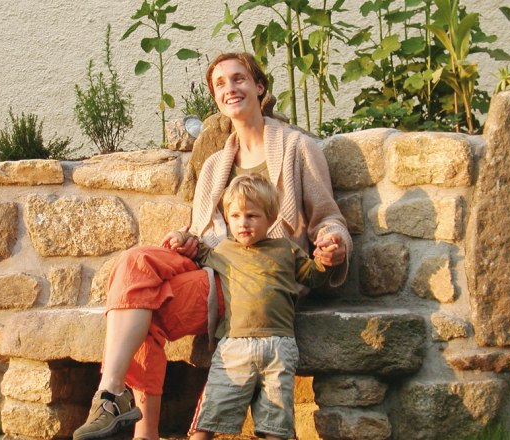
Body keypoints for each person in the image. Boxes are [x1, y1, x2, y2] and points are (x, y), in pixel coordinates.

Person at [72, 52, 351, 440]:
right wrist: (186, 240)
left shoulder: (297, 148)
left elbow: (328, 216)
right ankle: (112, 392)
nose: (229, 88)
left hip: (258, 275)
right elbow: (203, 231)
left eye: (238, 79)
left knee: (140, 308)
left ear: (259, 87)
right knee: (135, 264)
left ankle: (135, 423)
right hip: (214, 263)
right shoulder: (216, 163)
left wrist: (333, 242)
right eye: (220, 84)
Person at [172, 174, 332, 440]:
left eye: (251, 216)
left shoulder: (287, 250)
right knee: (209, 413)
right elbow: (194, 247)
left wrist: (326, 260)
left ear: (271, 218)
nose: (242, 223)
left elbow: (313, 276)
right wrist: (179, 237)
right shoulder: (223, 250)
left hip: (279, 348)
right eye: (235, 216)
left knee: (277, 423)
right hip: (234, 347)